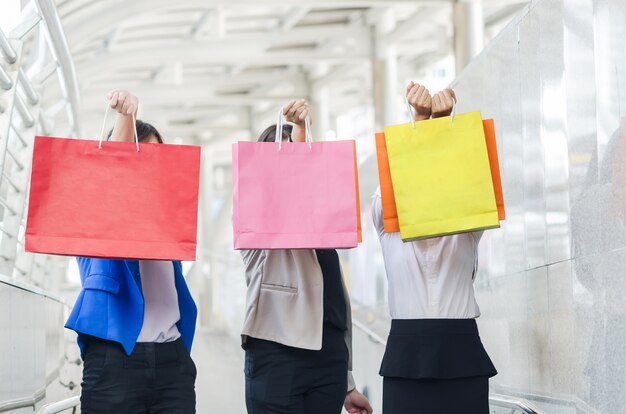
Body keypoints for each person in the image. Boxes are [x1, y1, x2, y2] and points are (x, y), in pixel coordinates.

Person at [64, 90, 198, 414]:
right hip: (114, 361)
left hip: (172, 362)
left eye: (157, 159)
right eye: (142, 155)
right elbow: (111, 176)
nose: (151, 167)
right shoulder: (95, 211)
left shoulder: (167, 224)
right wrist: (126, 119)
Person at [240, 100, 373, 414]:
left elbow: (335, 307)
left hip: (329, 362)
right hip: (277, 353)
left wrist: (347, 380)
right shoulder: (253, 218)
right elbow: (288, 192)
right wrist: (300, 133)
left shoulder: (326, 230)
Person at [372, 83, 497, 413]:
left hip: (461, 352)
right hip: (406, 355)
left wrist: (445, 129)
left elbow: (474, 182)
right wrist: (422, 124)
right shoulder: (390, 223)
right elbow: (392, 186)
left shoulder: (467, 223)